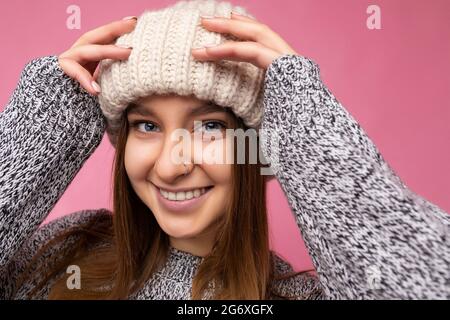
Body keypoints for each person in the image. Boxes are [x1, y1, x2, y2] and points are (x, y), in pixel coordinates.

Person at [0, 0, 448, 300]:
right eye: (147, 125)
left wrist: (302, 109)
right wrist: (43, 119)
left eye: (211, 125)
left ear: (261, 146)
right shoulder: (63, 252)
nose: (171, 167)